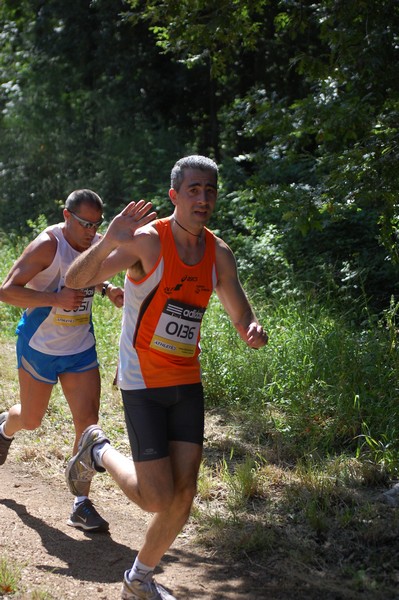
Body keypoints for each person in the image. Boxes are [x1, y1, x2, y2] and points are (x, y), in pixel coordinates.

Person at [64, 156, 268, 599]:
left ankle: (138, 579)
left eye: (210, 190)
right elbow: (73, 278)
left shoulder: (219, 253)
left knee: (184, 493)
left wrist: (249, 327)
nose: (203, 198)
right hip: (142, 380)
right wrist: (108, 242)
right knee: (157, 497)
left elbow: (240, 310)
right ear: (174, 196)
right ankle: (97, 449)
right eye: (193, 190)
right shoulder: (147, 243)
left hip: (186, 380)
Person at [0, 189, 124, 532]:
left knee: (88, 425)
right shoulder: (47, 245)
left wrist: (107, 288)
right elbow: (7, 290)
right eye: (85, 223)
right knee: (31, 419)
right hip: (39, 345)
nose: (91, 231)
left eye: (96, 224)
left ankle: (80, 503)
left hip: (79, 347)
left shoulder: (97, 242)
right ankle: (4, 429)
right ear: (67, 216)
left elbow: (92, 273)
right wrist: (54, 298)